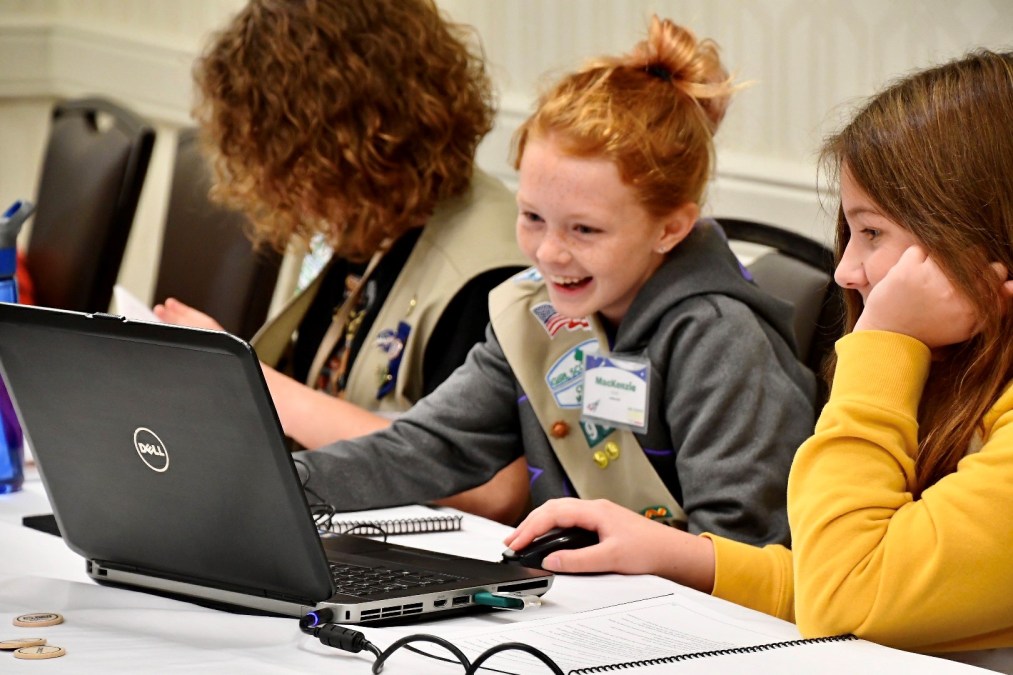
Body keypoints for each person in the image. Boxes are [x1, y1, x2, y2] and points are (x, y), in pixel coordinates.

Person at [506, 49, 1013, 660]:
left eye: (872, 232)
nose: (846, 271)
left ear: (983, 234)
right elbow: (841, 575)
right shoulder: (965, 376)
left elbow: (848, 594)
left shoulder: (910, 363)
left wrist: (884, 346)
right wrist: (682, 555)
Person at [296, 17, 816, 547]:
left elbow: (744, 550)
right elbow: (431, 447)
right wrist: (282, 485)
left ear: (671, 228)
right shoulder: (533, 315)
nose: (548, 253)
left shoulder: (723, 340)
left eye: (584, 229)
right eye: (532, 217)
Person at [153, 0, 530, 523]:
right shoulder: (375, 221)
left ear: (339, 139)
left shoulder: (490, 270)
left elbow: (495, 488)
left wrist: (251, 382)